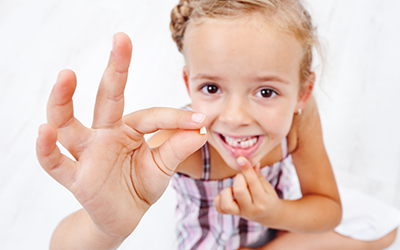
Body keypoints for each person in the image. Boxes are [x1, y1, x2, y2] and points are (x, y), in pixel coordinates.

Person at [36, 0, 400, 249]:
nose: (235, 117)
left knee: (385, 232)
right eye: (211, 88)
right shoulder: (180, 145)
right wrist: (104, 227)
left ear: (302, 93)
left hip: (278, 226)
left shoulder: (300, 122)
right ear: (188, 84)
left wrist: (274, 212)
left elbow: (327, 208)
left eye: (267, 91)